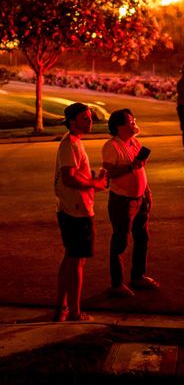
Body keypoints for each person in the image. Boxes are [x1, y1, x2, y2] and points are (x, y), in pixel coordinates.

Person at [53, 102, 108, 322]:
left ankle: (62, 308)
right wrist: (95, 183)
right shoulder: (70, 145)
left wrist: (94, 181)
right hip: (76, 211)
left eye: (90, 117)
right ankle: (75, 312)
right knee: (77, 262)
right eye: (85, 118)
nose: (90, 121)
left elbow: (74, 174)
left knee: (70, 259)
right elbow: (69, 177)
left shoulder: (73, 143)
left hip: (72, 209)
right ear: (72, 121)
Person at [102, 108, 159, 297]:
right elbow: (109, 174)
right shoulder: (112, 146)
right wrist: (130, 166)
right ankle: (117, 283)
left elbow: (139, 169)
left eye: (134, 120)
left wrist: (146, 191)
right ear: (119, 126)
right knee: (120, 241)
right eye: (129, 121)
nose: (134, 123)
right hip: (123, 200)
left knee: (142, 238)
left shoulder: (135, 142)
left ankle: (138, 276)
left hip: (141, 197)